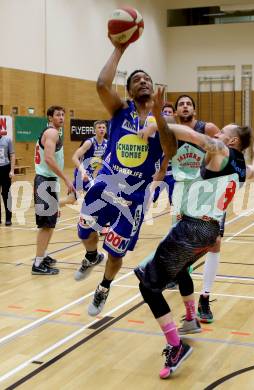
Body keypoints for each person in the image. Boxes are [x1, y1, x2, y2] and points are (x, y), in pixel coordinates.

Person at [135, 87, 254, 379]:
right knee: (179, 270)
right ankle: (191, 318)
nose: (216, 135)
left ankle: (176, 346)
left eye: (222, 133)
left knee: (147, 285)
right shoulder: (241, 165)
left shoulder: (222, 151)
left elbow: (192, 136)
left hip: (195, 227)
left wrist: (158, 123)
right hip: (209, 229)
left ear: (230, 141)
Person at [75, 37, 177, 317]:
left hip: (134, 197)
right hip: (105, 184)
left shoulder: (162, 120)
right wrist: (119, 49)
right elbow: (101, 85)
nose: (143, 81)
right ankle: (91, 255)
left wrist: (159, 114)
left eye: (147, 79)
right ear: (129, 91)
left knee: (117, 252)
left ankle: (104, 286)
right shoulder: (120, 111)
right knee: (84, 233)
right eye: (137, 80)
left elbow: (170, 150)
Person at [176, 95, 222, 323]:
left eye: (188, 103)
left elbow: (225, 153)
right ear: (176, 111)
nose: (185, 106)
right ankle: (185, 285)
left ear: (194, 109)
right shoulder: (173, 131)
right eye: (181, 104)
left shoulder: (209, 128)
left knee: (214, 244)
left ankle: (205, 297)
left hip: (210, 191)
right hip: (184, 193)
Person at [32, 106, 75, 275]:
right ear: (50, 117)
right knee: (45, 225)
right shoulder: (52, 133)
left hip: (49, 181)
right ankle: (37, 263)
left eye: (63, 114)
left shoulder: (55, 132)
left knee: (50, 223)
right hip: (45, 180)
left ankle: (43, 255)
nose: (62, 117)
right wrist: (66, 179)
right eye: (58, 115)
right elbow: (49, 159)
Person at [60, 120, 108, 206]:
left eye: (103, 128)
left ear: (106, 130)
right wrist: (83, 171)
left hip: (93, 174)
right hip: (82, 174)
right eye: (99, 127)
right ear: (94, 130)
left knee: (72, 200)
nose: (101, 129)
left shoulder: (106, 144)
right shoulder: (89, 142)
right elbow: (74, 157)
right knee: (73, 200)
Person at [152, 103, 176, 206]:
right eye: (164, 112)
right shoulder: (154, 130)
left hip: (173, 175)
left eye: (169, 112)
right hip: (158, 174)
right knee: (149, 200)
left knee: (174, 204)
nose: (166, 114)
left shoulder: (178, 132)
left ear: (174, 114)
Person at [0, 132, 15, 226]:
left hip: (5, 169)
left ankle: (8, 218)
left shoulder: (7, 140)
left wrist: (12, 170)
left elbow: (12, 155)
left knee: (6, 195)